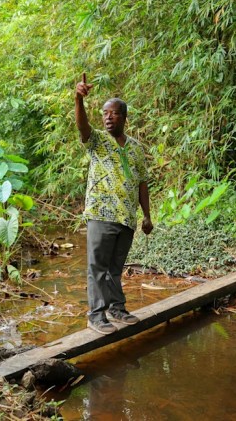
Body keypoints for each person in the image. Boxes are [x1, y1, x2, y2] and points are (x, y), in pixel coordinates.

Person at [74, 73, 153, 335]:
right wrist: (78, 99)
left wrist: (147, 216)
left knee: (115, 269)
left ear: (124, 117)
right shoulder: (97, 141)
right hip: (101, 213)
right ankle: (96, 315)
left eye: (114, 113)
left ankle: (116, 309)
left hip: (126, 217)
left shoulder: (136, 148)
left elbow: (142, 182)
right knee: (97, 267)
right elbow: (82, 127)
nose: (108, 117)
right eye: (105, 113)